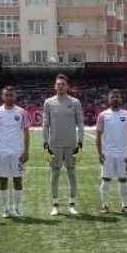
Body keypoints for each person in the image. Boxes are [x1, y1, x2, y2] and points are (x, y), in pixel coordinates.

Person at [42, 74, 83, 216]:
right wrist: (45, 144)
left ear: (67, 86)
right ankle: (55, 205)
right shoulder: (48, 102)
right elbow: (45, 125)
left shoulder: (75, 102)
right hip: (55, 145)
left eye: (63, 84)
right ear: (55, 86)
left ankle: (72, 204)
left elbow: (80, 124)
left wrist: (80, 143)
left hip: (71, 145)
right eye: (58, 84)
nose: (60, 86)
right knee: (55, 175)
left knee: (72, 174)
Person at [0, 85, 31, 217]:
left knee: (18, 180)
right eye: (6, 95)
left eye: (11, 95)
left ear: (15, 96)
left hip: (17, 152)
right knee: (2, 180)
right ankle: (5, 209)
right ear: (2, 96)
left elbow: (26, 133)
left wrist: (26, 151)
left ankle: (17, 208)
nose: (9, 97)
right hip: (1, 152)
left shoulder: (22, 112)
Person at [95, 88, 127, 214]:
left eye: (117, 97)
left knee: (123, 180)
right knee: (106, 180)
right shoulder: (103, 115)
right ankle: (105, 205)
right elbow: (98, 136)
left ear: (121, 99)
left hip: (123, 154)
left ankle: (125, 205)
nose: (115, 99)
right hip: (108, 154)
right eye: (113, 97)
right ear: (108, 100)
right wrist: (99, 153)